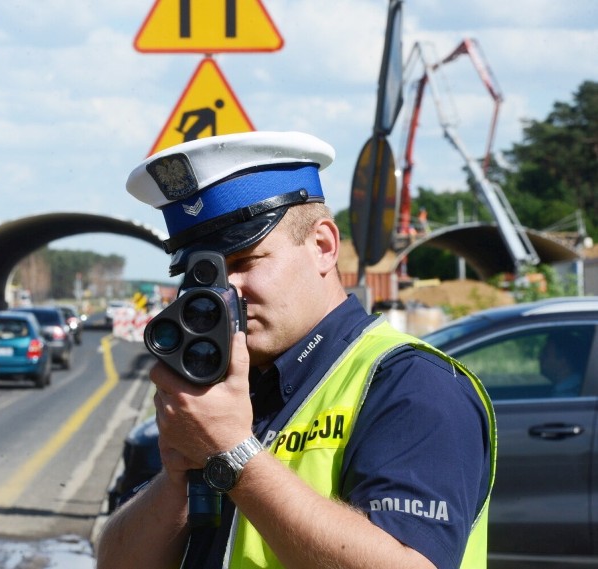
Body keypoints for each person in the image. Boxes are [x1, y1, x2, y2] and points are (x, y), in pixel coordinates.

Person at [96, 131, 496, 569]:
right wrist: (177, 476)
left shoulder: (413, 385)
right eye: (202, 275)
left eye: (245, 262)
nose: (224, 293)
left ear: (323, 246)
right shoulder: (228, 387)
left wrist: (234, 453)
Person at [539, 331, 589, 397]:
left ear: (563, 361)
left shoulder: (568, 396)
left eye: (545, 354)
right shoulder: (575, 388)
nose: (539, 357)